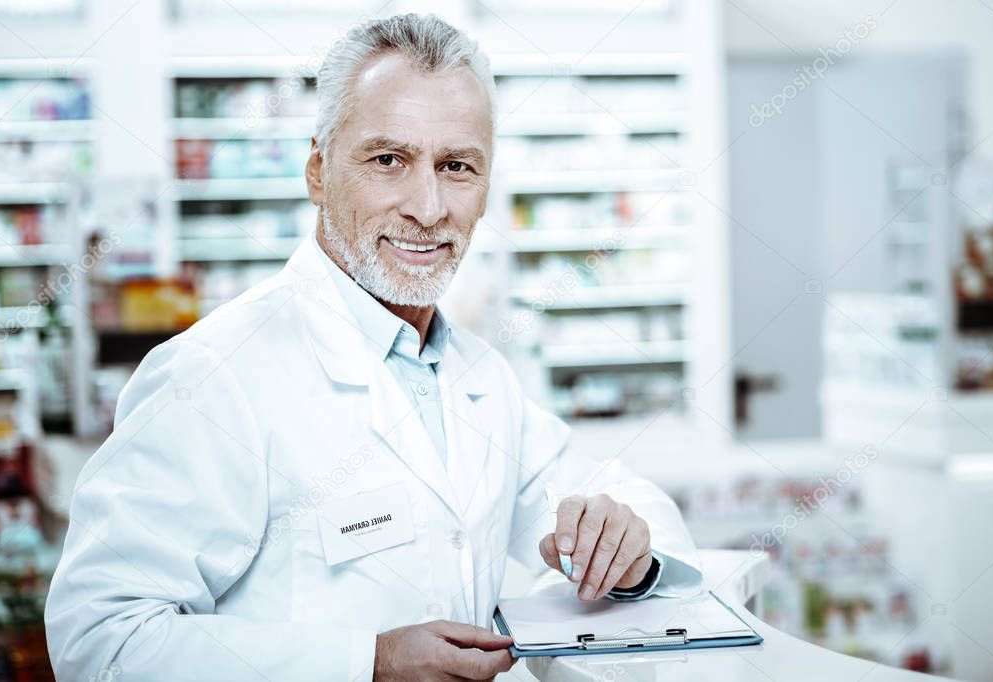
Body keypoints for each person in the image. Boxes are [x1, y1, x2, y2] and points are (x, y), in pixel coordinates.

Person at [45, 14, 702, 681]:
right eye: (388, 160)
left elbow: (616, 500)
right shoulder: (213, 375)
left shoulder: (477, 374)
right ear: (317, 171)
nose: (427, 206)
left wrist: (625, 543)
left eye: (456, 166)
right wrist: (368, 662)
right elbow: (101, 641)